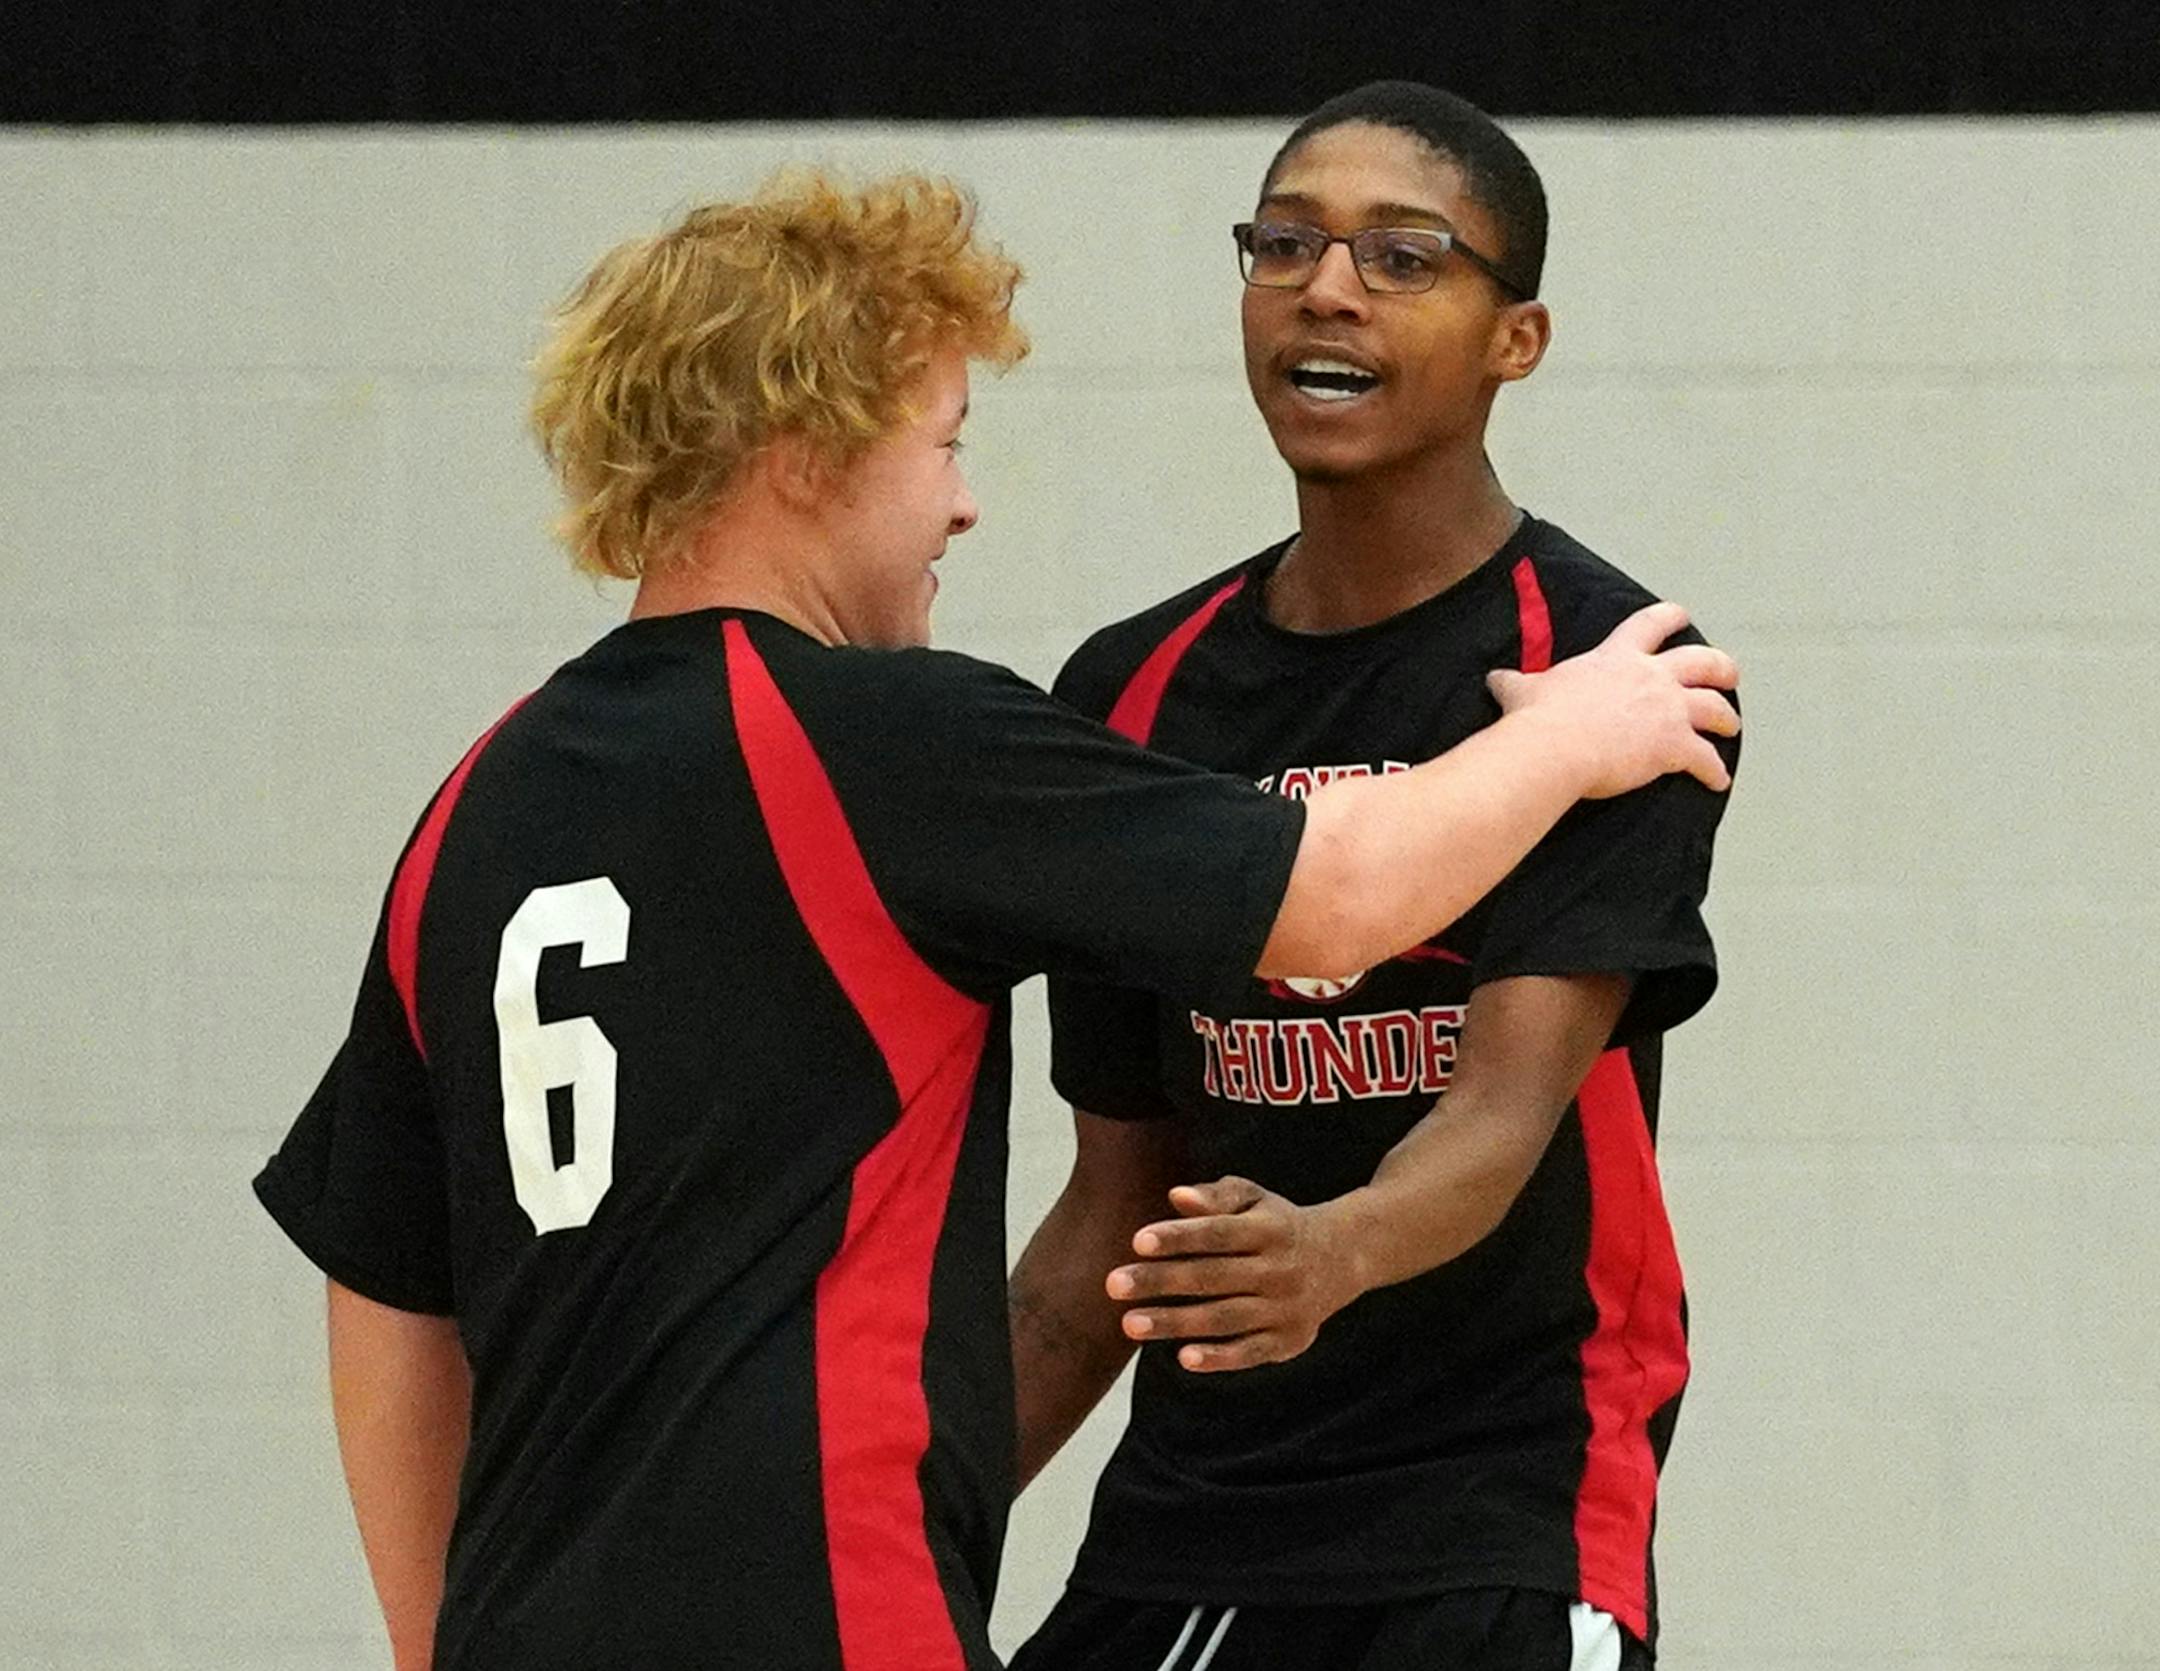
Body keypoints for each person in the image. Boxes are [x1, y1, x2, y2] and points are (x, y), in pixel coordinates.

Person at [250, 169, 1736, 1671]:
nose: (964, 499)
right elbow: (1334, 890)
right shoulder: (879, 738)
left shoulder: (473, 803)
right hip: (833, 1615)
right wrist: (1576, 733)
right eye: (941, 443)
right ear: (810, 450)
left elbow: (382, 1295)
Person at [1007, 84, 1740, 1671]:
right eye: (1285, 244)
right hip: (1194, 1510)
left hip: (1495, 1508)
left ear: (1515, 340)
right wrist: (870, 1521)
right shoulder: (1131, 693)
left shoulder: (1612, 671)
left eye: (1403, 257)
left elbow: (1496, 1121)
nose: (1326, 288)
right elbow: (1109, 1207)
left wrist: (1328, 1252)